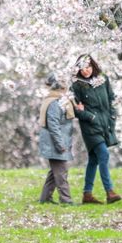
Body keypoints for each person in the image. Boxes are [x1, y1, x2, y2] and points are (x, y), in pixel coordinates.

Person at [71, 54, 122, 205]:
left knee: (93, 160)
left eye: (88, 67)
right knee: (104, 155)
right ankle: (110, 191)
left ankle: (87, 194)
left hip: (105, 124)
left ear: (93, 66)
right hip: (90, 127)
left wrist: (112, 116)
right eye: (82, 68)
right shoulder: (77, 85)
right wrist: (89, 116)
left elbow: (112, 99)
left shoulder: (103, 80)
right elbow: (74, 109)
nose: (85, 71)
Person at [38, 73, 75, 205]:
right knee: (61, 173)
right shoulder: (55, 102)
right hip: (55, 143)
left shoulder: (58, 100)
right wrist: (60, 145)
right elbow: (53, 125)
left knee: (55, 173)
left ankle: (45, 198)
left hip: (57, 142)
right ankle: (66, 200)